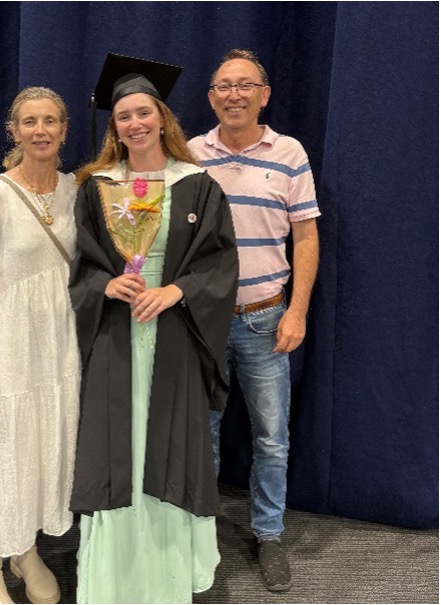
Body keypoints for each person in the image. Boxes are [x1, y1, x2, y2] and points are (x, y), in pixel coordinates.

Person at [68, 53, 238, 604]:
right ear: (114, 127)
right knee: (116, 443)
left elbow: (219, 262)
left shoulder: (197, 185)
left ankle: (165, 580)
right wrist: (106, 285)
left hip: (174, 331)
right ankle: (114, 583)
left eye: (143, 112)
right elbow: (82, 265)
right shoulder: (97, 187)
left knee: (170, 441)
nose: (134, 123)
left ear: (163, 118)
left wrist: (176, 290)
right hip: (116, 335)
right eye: (123, 116)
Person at [188, 49, 320, 592]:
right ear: (211, 97)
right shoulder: (192, 154)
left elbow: (305, 236)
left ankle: (269, 535)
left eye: (245, 85)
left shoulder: (289, 153)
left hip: (267, 319)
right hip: (204, 322)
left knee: (271, 438)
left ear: (264, 95)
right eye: (223, 86)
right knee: (203, 436)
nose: (234, 95)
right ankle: (200, 540)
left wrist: (298, 310)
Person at [0, 87, 80, 604]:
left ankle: (24, 549)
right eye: (29, 121)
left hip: (59, 345)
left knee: (41, 450)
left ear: (64, 130)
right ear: (14, 131)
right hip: (9, 345)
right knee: (3, 450)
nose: (40, 130)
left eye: (50, 120)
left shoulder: (76, 189)